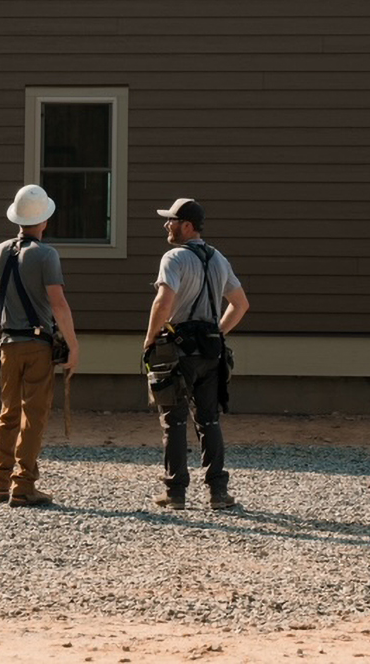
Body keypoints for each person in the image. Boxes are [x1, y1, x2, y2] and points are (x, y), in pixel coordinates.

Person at [143, 197, 250, 510]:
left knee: (173, 421)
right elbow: (241, 304)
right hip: (212, 350)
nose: (167, 225)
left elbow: (163, 302)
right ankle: (218, 491)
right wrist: (218, 331)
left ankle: (175, 492)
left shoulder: (174, 257)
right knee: (209, 420)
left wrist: (149, 339)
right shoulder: (219, 259)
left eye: (171, 220)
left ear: (186, 225)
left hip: (178, 350)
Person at [0, 183, 80, 507]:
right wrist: (73, 344)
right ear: (45, 220)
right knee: (33, 415)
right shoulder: (46, 254)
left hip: (7, 343)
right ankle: (24, 485)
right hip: (38, 344)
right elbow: (59, 303)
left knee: (7, 413)